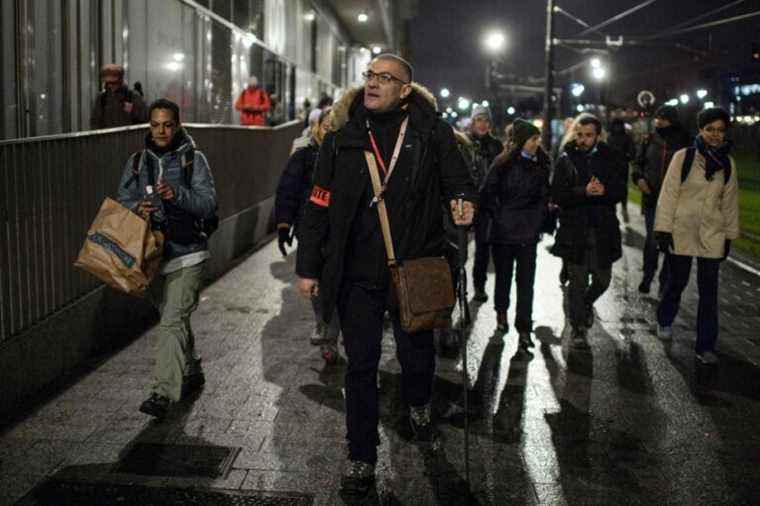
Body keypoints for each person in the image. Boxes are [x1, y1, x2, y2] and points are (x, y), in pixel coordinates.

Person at [295, 54, 476, 503]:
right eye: (369, 76)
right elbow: (318, 206)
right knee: (360, 366)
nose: (373, 83)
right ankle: (361, 455)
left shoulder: (431, 133)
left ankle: (418, 404)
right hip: (356, 274)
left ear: (404, 90)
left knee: (417, 357)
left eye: (384, 78)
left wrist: (462, 201)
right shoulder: (342, 138)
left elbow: (459, 180)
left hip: (413, 267)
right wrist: (307, 267)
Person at [116, 98, 217, 418]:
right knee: (173, 319)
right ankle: (191, 370)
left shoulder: (193, 160)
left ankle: (162, 392)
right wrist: (137, 208)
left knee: (172, 320)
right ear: (149, 126)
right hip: (153, 256)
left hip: (189, 253)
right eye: (155, 125)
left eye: (168, 125)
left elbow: (208, 205)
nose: (161, 131)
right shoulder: (137, 162)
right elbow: (123, 200)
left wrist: (178, 195)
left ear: (178, 125)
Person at [654, 107, 739, 365]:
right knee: (677, 282)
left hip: (712, 233)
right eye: (709, 129)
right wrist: (663, 229)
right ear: (701, 130)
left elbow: (730, 202)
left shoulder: (727, 163)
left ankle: (705, 346)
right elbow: (668, 195)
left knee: (709, 292)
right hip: (681, 230)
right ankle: (665, 319)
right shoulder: (684, 157)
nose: (715, 135)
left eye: (720, 130)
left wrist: (729, 236)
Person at [551, 113, 626, 349]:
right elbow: (557, 194)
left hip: (603, 229)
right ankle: (578, 328)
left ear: (598, 135)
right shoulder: (566, 158)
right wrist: (583, 191)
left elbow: (621, 190)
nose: (583, 140)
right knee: (578, 281)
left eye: (589, 135)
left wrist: (604, 191)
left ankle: (585, 305)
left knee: (603, 280)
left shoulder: (611, 157)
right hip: (575, 229)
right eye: (580, 135)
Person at [275, 108, 340, 364]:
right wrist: (283, 225)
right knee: (316, 285)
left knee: (334, 285)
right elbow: (287, 191)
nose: (329, 132)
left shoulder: (347, 157)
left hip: (338, 234)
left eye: (335, 128)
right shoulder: (303, 155)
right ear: (316, 127)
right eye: (326, 126)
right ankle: (324, 327)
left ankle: (330, 337)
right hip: (310, 231)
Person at [483, 119, 550, 351]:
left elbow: (544, 197)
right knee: (503, 278)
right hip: (503, 233)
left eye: (537, 138)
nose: (537, 143)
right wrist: (500, 215)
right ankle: (501, 316)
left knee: (526, 283)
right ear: (522, 141)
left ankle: (524, 329)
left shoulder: (542, 164)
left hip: (528, 234)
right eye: (533, 139)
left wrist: (540, 218)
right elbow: (488, 193)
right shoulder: (502, 164)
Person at [631, 105, 691, 294]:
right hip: (652, 198)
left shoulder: (685, 140)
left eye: (662, 118)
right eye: (657, 118)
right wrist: (639, 178)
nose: (658, 122)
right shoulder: (649, 139)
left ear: (671, 120)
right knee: (652, 239)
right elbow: (637, 163)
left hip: (677, 202)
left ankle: (665, 279)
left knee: (671, 243)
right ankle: (648, 276)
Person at [466, 104, 504, 302]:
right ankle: (458, 289)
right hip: (467, 202)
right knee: (460, 251)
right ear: (473, 121)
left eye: (486, 120)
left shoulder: (496, 145)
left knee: (483, 248)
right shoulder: (464, 142)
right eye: (479, 120)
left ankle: (479, 286)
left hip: (487, 205)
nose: (483, 124)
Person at [91, 64, 147, 129]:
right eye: (107, 83)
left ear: (120, 80)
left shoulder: (132, 96)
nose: (110, 86)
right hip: (108, 138)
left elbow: (144, 117)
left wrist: (130, 108)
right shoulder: (102, 98)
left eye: (113, 83)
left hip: (129, 137)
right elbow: (95, 122)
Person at [607, 118, 636, 221]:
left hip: (618, 167)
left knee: (618, 188)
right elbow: (632, 152)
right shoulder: (624, 137)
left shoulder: (612, 137)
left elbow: (632, 151)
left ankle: (620, 209)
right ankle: (621, 209)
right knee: (619, 189)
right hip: (617, 167)